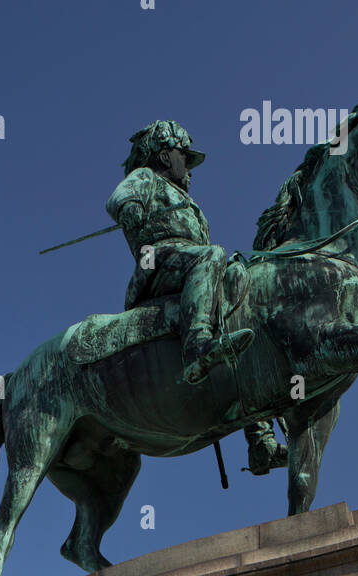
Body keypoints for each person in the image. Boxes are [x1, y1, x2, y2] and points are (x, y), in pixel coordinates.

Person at [107, 120, 254, 386]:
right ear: (165, 156)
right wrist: (131, 209)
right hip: (157, 260)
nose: (189, 168)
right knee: (211, 255)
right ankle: (196, 347)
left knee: (237, 276)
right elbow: (119, 197)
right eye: (184, 158)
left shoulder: (189, 202)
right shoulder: (147, 178)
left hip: (188, 263)